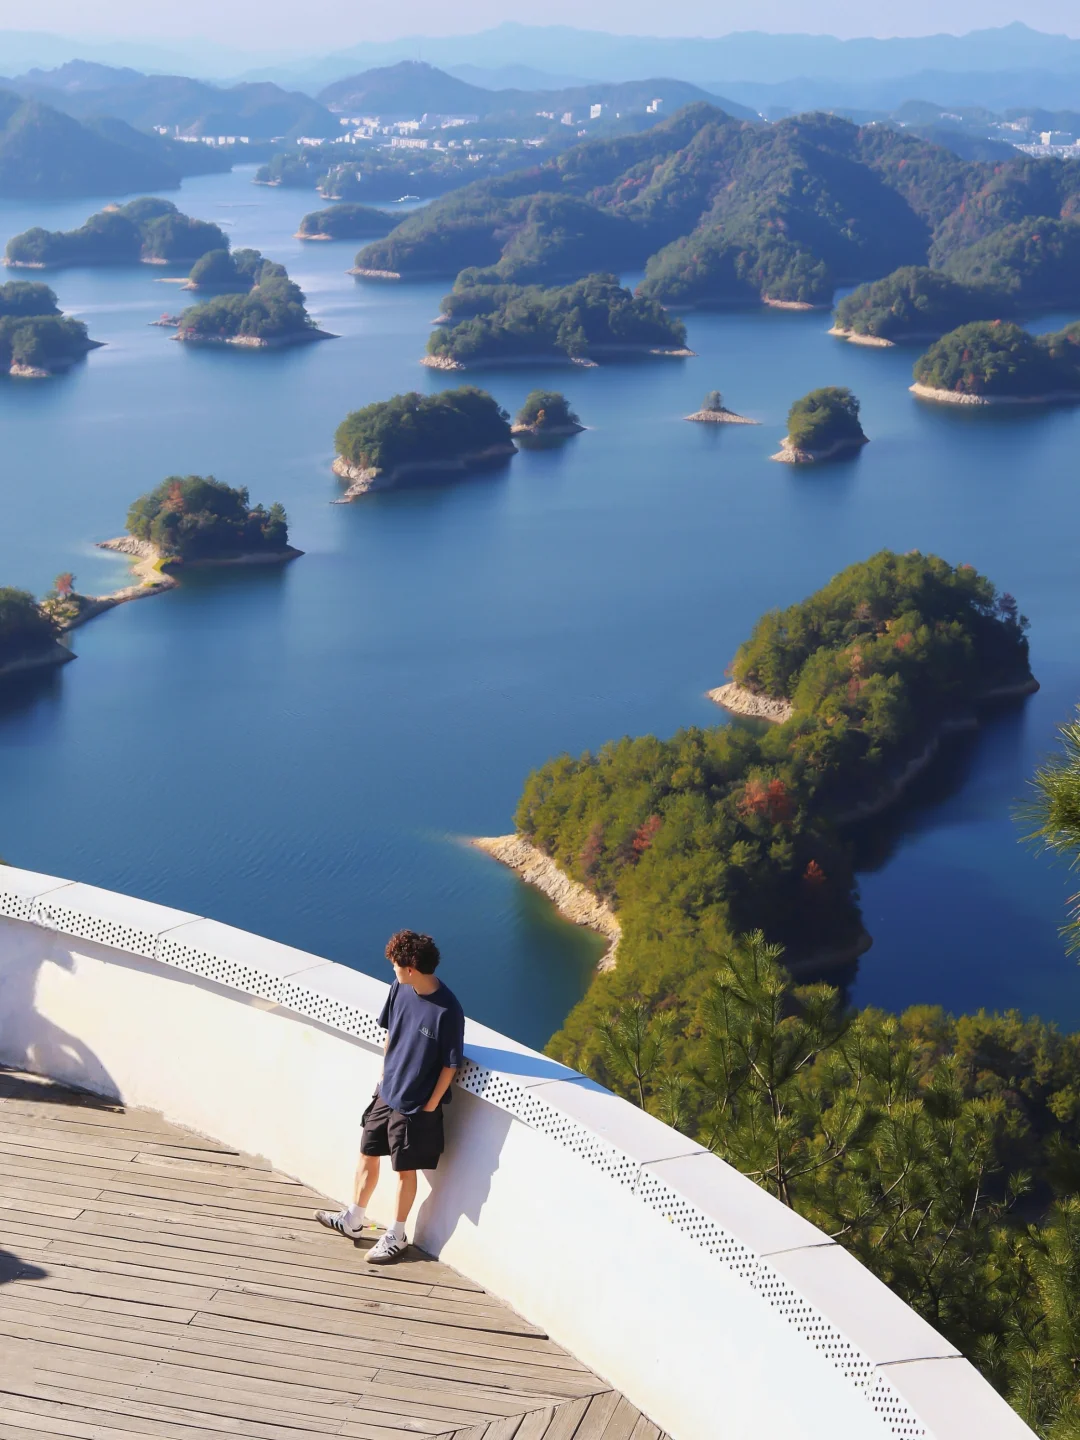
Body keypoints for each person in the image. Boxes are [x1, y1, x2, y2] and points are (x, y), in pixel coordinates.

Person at [315, 929, 465, 1265]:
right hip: (387, 1091)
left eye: (396, 965)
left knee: (404, 1170)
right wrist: (383, 1078)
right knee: (367, 1152)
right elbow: (391, 1034)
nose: (392, 970)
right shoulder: (400, 987)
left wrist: (429, 1106)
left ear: (411, 967)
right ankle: (354, 1219)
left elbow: (449, 1065)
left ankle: (396, 1235)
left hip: (415, 1105)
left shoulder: (448, 1010)